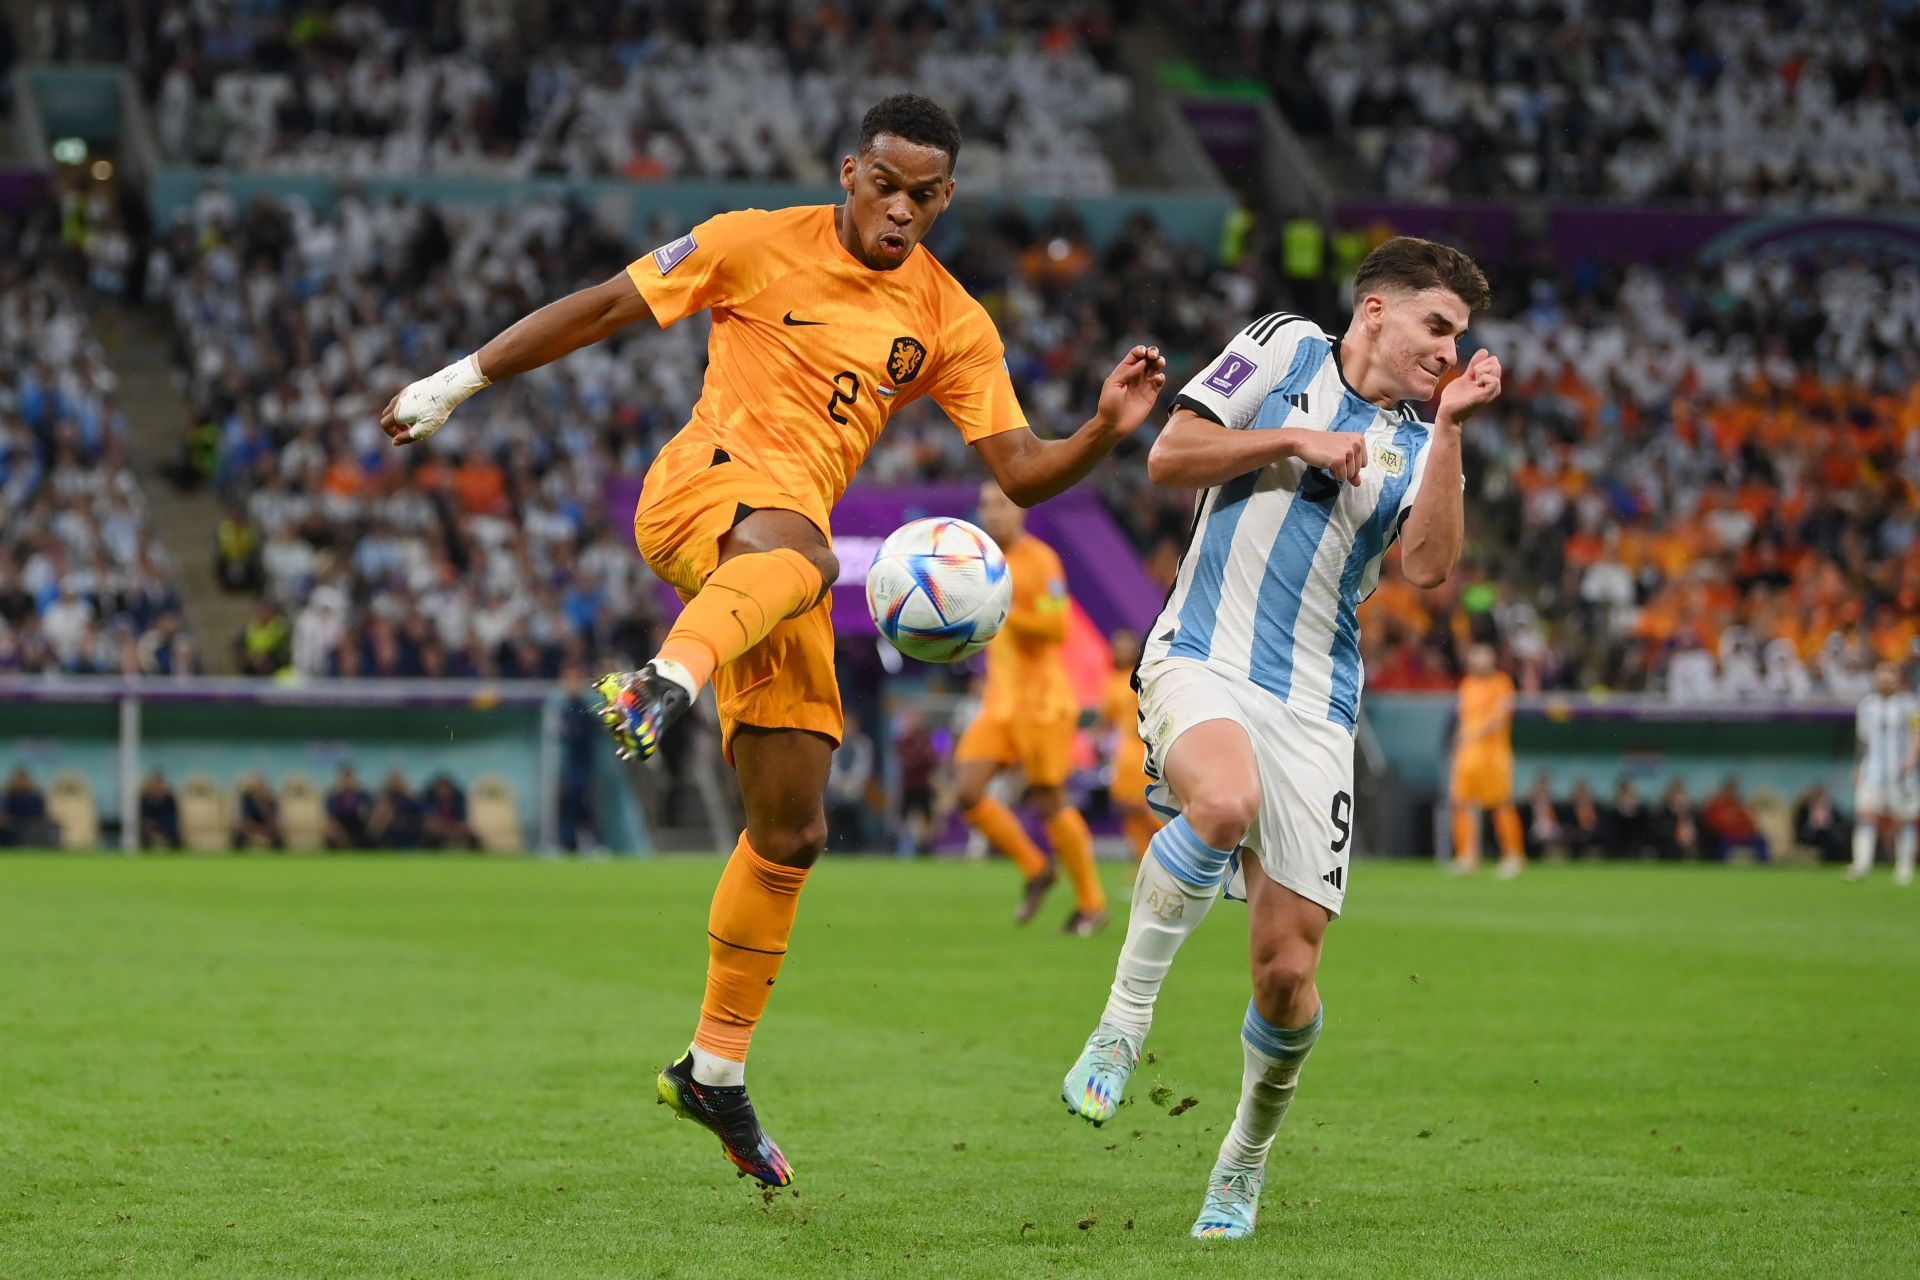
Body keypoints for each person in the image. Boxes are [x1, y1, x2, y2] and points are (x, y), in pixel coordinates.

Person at [378, 94, 1166, 1187]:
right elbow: (609, 305)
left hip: (777, 571)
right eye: (883, 183)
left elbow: (1022, 470)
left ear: (947, 197)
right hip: (701, 495)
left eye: (924, 194)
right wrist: (458, 382)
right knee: (808, 556)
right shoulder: (752, 238)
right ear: (850, 172)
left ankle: (713, 1067)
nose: (900, 208)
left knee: (791, 829)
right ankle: (661, 679)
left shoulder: (950, 318)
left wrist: (1103, 433)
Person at [1059, 236, 1500, 1239]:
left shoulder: (1415, 434)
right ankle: (1122, 1028)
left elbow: (1428, 565)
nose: (1450, 347)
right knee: (1220, 801)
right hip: (1201, 650)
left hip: (1315, 701)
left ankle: (1242, 1159)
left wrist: (1450, 432)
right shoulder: (1284, 346)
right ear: (1378, 311)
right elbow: (1171, 454)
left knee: (1288, 975)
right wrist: (1294, 443)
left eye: (1462, 336)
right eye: (1439, 325)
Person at [954, 482, 1107, 934]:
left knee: (1048, 800)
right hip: (999, 703)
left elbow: (1057, 626)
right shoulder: (979, 562)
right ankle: (1036, 867)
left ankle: (1092, 904)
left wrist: (1002, 610)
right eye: (985, 505)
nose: (992, 513)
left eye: (1001, 504)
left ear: (1019, 511)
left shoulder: (1040, 562)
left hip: (1042, 704)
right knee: (967, 793)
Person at [1447, 642, 1525, 877]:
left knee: (1501, 803)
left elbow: (1499, 717)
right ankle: (1467, 856)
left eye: (1483, 655)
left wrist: (1473, 734)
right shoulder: (1467, 684)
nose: (1478, 660)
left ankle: (1514, 856)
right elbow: (1462, 720)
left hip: (1494, 753)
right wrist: (1459, 745)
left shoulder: (1502, 683)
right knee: (1461, 803)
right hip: (1468, 754)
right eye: (1475, 656)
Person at [1847, 662, 1917, 885]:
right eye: (1882, 676)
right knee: (1866, 815)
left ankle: (1904, 866)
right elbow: (1863, 741)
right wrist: (1858, 767)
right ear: (1876, 679)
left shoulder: (1909, 704)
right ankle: (1861, 865)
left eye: (1890, 677)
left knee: (1904, 819)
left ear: (1898, 680)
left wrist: (1910, 759)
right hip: (1872, 771)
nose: (1886, 681)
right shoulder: (1867, 706)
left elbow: (1917, 734)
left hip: (1900, 773)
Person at [1098, 629, 1157, 861]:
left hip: (1141, 746)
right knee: (1126, 807)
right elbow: (1107, 718)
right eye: (1118, 645)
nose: (1121, 650)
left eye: (1126, 645)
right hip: (1122, 751)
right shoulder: (1111, 680)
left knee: (1143, 805)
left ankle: (1174, 851)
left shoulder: (1143, 675)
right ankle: (1143, 859)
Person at [1793, 783, 1849, 864]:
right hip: (1811, 836)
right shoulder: (1804, 809)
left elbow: (1840, 825)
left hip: (1828, 836)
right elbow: (1799, 827)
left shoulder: (1832, 809)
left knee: (1831, 838)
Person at [0, 767, 55, 847]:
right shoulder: (9, 796)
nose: (21, 783)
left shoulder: (35, 797)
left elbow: (41, 812)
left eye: (23, 780)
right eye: (19, 780)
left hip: (33, 824)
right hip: (13, 824)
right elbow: (5, 813)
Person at [421, 775, 478, 850]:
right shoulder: (429, 799)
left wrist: (454, 826)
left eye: (445, 788)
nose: (443, 791)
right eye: (440, 788)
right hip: (438, 828)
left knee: (472, 836)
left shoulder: (458, 799)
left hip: (453, 826)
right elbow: (429, 819)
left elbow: (462, 819)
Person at [368, 772, 423, 850]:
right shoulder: (382, 801)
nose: (395, 785)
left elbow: (418, 820)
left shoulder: (410, 802)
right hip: (388, 836)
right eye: (393, 782)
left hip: (407, 836)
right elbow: (372, 827)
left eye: (397, 782)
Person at [324, 765, 373, 850]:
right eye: (344, 779)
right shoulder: (333, 797)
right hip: (340, 830)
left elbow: (369, 816)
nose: (347, 782)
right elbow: (331, 818)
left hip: (360, 830)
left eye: (350, 778)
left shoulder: (363, 796)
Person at [231, 775, 283, 850]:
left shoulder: (271, 801)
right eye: (256, 788)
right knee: (238, 837)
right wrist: (257, 830)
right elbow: (246, 821)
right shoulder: (247, 801)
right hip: (251, 829)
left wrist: (263, 805)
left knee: (279, 838)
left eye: (261, 788)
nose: (259, 790)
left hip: (267, 829)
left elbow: (273, 821)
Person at [138, 772, 181, 850]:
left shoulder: (169, 799)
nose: (158, 786)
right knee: (145, 837)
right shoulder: (146, 799)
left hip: (166, 828)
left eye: (159, 784)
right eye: (155, 784)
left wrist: (164, 828)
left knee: (175, 837)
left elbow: (172, 817)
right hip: (151, 829)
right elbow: (144, 817)